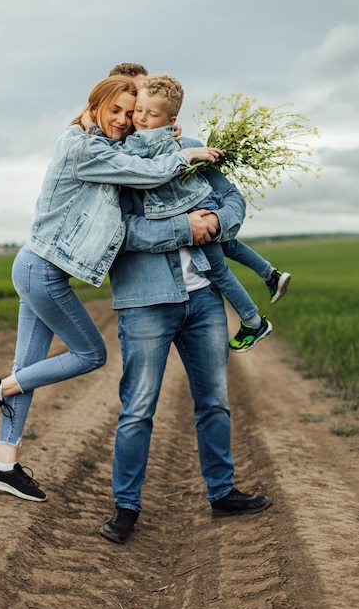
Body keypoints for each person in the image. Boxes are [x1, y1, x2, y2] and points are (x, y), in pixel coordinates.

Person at [0, 74, 222, 503]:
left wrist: (163, 136)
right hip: (41, 273)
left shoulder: (96, 139)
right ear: (96, 103)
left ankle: (2, 466)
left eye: (132, 111)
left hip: (36, 267)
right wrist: (186, 154)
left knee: (26, 369)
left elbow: (131, 152)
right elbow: (139, 171)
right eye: (118, 110)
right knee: (91, 354)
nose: (125, 119)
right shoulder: (83, 146)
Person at [100, 92, 273, 546]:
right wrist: (184, 229)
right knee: (138, 409)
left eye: (143, 108)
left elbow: (232, 197)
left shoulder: (191, 148)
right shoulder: (113, 163)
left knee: (214, 402)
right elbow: (118, 231)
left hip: (204, 299)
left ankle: (222, 493)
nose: (136, 116)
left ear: (165, 115)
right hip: (145, 301)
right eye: (129, 108)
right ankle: (126, 508)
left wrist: (216, 221)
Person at [115, 73, 291, 352]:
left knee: (219, 273)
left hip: (190, 212)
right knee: (229, 243)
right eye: (138, 110)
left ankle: (253, 321)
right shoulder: (176, 139)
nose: (140, 118)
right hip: (204, 203)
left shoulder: (141, 144)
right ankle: (270, 273)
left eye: (150, 114)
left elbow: (121, 156)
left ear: (170, 121)